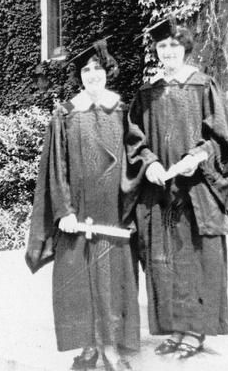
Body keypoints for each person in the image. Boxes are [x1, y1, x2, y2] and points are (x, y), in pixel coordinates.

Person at [125, 17, 228, 360]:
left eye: (174, 46)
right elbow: (134, 139)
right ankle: (176, 329)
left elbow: (220, 139)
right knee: (164, 259)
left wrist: (196, 157)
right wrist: (149, 162)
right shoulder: (147, 93)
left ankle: (195, 331)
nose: (168, 52)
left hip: (196, 189)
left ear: (185, 49)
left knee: (196, 258)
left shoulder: (202, 85)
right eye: (162, 47)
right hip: (159, 189)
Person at [26, 39, 140, 371]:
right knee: (80, 281)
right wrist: (63, 211)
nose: (92, 75)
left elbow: (135, 158)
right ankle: (90, 346)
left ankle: (112, 350)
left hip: (112, 212)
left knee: (111, 280)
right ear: (80, 76)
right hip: (77, 213)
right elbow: (56, 166)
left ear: (107, 73)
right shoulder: (65, 113)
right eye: (86, 70)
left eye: (98, 68)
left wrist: (131, 203)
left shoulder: (121, 110)